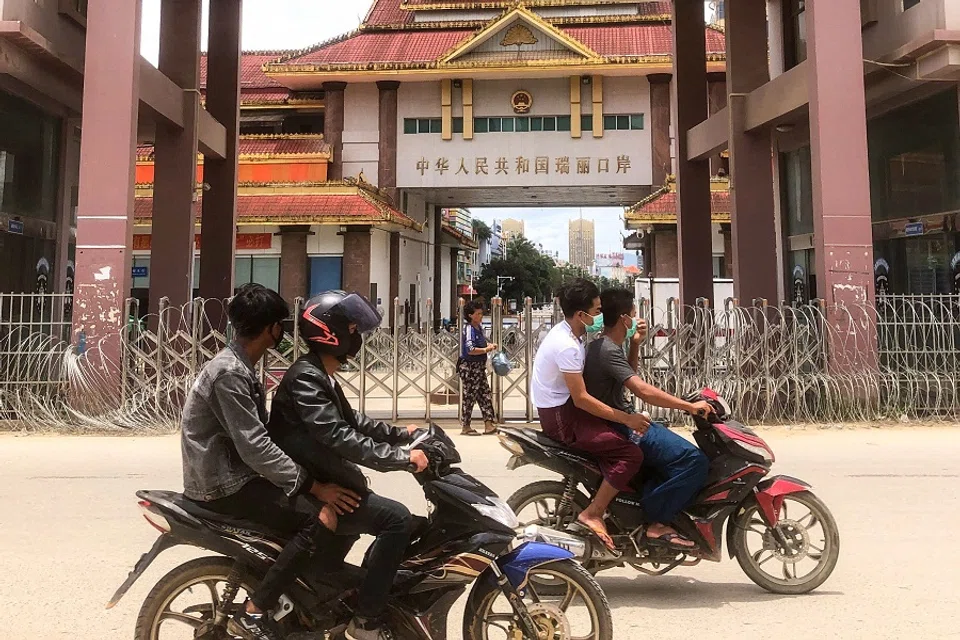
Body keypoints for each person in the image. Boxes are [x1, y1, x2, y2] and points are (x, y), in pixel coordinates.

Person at [180, 284, 361, 640]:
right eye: (281, 325)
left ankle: (299, 597)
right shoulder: (229, 372)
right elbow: (255, 446)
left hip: (235, 473)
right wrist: (312, 485)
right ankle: (256, 610)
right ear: (271, 330)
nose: (284, 332)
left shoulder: (240, 365)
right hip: (223, 483)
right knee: (320, 516)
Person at [268, 290, 430, 640]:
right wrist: (400, 459)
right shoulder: (306, 377)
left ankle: (339, 590)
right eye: (352, 328)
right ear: (330, 332)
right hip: (307, 487)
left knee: (403, 520)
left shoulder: (319, 374)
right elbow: (338, 435)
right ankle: (366, 620)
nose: (357, 337)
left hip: (326, 477)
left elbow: (353, 422)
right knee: (397, 519)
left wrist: (401, 434)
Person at [584, 288, 712, 551]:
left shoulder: (603, 345)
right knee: (694, 460)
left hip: (621, 420)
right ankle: (657, 522)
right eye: (633, 313)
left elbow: (625, 375)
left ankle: (646, 504)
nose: (636, 318)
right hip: (622, 425)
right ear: (624, 319)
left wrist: (635, 343)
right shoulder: (607, 350)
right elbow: (641, 389)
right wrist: (688, 406)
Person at [530, 278, 648, 551]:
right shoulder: (568, 346)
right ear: (581, 315)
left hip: (565, 409)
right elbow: (582, 399)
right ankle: (593, 512)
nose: (599, 316)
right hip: (563, 417)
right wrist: (627, 418)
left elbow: (622, 376)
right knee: (631, 453)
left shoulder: (573, 334)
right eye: (596, 311)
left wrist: (634, 343)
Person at [458, 300, 498, 436]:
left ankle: (489, 423)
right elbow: (470, 349)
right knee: (470, 396)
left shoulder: (479, 329)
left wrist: (489, 345)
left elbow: (481, 343)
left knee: (485, 395)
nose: (481, 316)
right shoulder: (469, 329)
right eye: (478, 314)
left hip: (479, 368)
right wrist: (486, 349)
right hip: (470, 368)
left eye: (482, 314)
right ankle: (466, 426)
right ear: (470, 315)